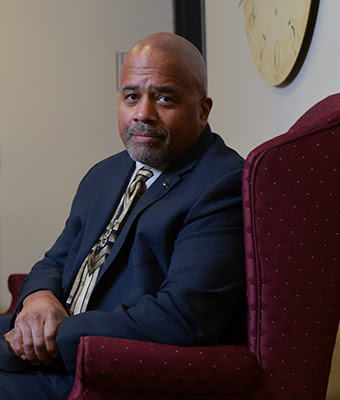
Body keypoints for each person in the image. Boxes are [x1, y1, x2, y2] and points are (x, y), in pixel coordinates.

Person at [0, 32, 246, 399]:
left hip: (103, 371)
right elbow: (56, 259)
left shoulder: (222, 183)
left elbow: (183, 315)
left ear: (203, 109)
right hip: (53, 352)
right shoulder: (107, 172)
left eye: (164, 97)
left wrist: (51, 336)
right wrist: (38, 299)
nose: (143, 113)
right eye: (131, 96)